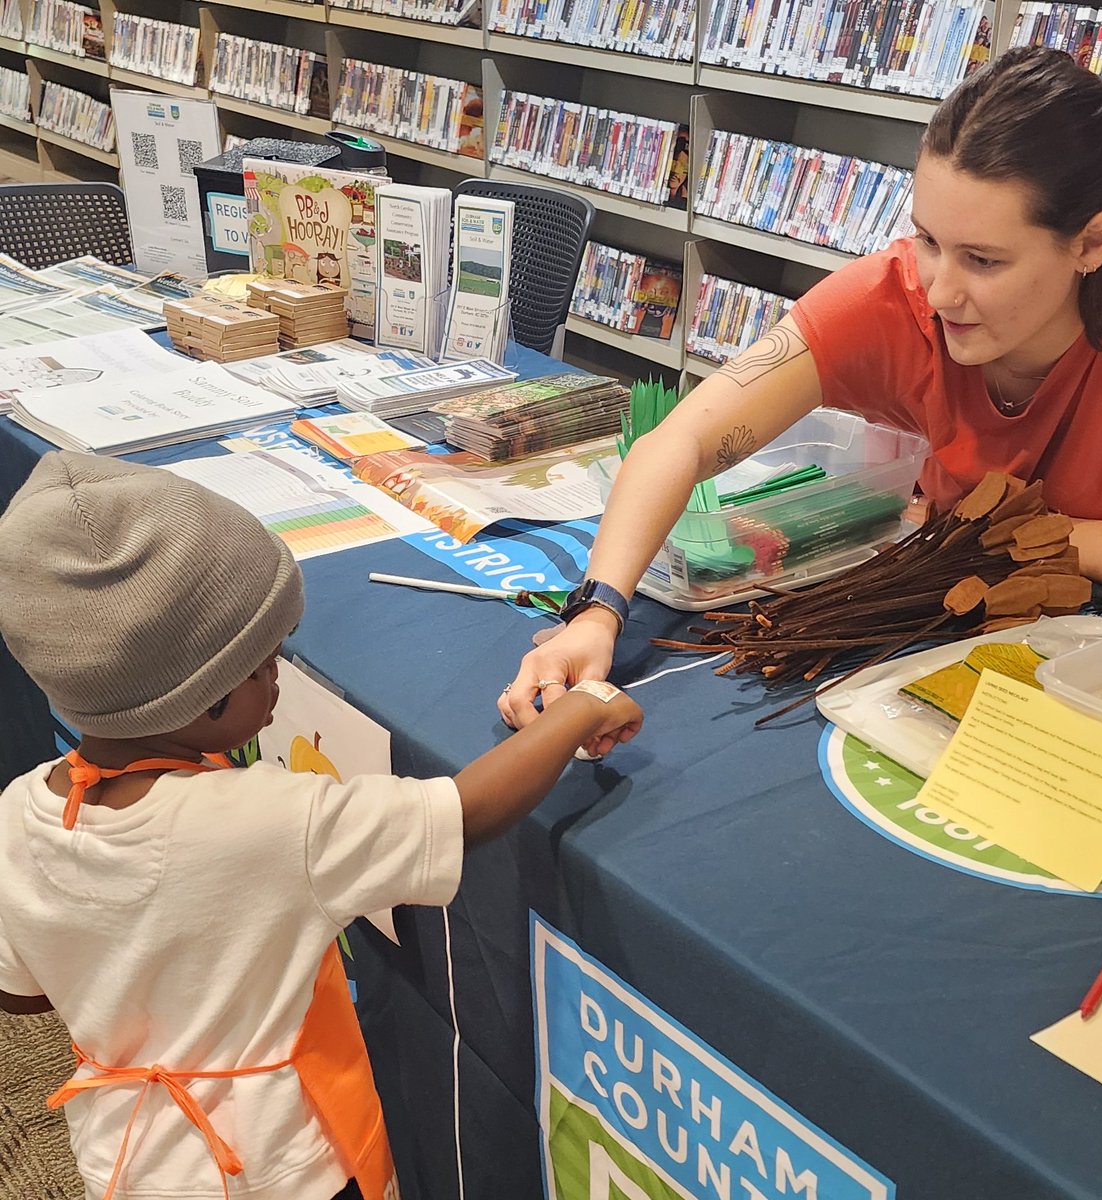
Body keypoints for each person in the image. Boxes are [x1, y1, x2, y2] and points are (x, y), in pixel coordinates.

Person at [499, 44, 1102, 732]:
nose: (941, 290)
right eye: (927, 239)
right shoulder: (891, 298)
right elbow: (681, 439)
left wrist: (982, 529)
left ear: (1093, 243)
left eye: (984, 260)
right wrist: (597, 610)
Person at [0, 452, 642, 1200]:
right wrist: (581, 711)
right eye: (264, 662)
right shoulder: (270, 819)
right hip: (283, 1169)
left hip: (126, 1162)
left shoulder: (18, 810)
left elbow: (22, 996)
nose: (278, 676)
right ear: (205, 696)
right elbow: (464, 812)